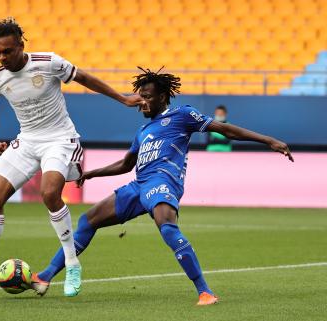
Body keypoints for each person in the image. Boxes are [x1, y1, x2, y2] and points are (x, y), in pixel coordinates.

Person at [31, 67, 293, 305]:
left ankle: (205, 291)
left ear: (163, 97)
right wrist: (90, 174)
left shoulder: (182, 115)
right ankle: (44, 276)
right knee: (88, 220)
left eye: (147, 96)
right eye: (140, 95)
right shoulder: (143, 131)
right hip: (138, 185)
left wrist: (269, 141)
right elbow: (125, 165)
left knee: (167, 228)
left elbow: (225, 130)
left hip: (163, 182)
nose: (141, 101)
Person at [0, 18, 144, 297]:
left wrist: (123, 98)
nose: (2, 57)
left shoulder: (48, 62)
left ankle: (73, 265)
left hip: (60, 139)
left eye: (7, 51)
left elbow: (85, 78)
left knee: (50, 192)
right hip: (27, 141)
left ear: (20, 45)